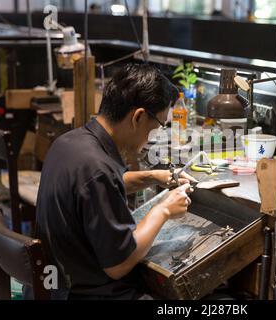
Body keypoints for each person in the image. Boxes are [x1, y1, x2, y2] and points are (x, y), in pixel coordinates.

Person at [33, 63, 195, 300]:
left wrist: (152, 177)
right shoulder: (98, 170)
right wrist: (163, 210)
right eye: (156, 126)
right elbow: (118, 266)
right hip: (86, 294)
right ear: (138, 116)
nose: (153, 136)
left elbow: (93, 191)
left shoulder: (70, 143)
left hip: (55, 284)